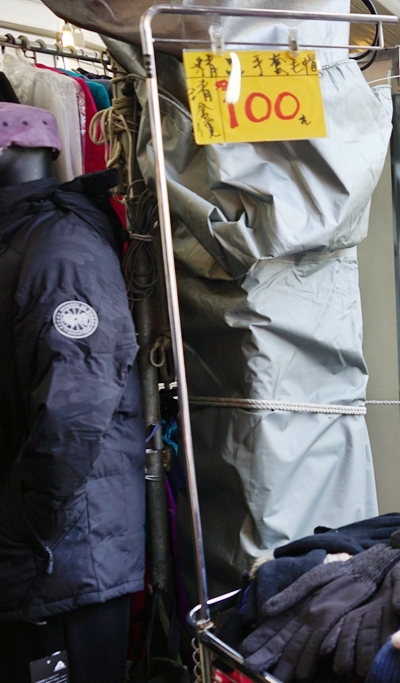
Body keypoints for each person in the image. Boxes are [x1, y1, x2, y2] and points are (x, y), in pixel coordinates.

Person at [0, 103, 145, 683]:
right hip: (47, 556)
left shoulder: (60, 246)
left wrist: (18, 525)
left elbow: (74, 408)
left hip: (60, 560)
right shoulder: (26, 235)